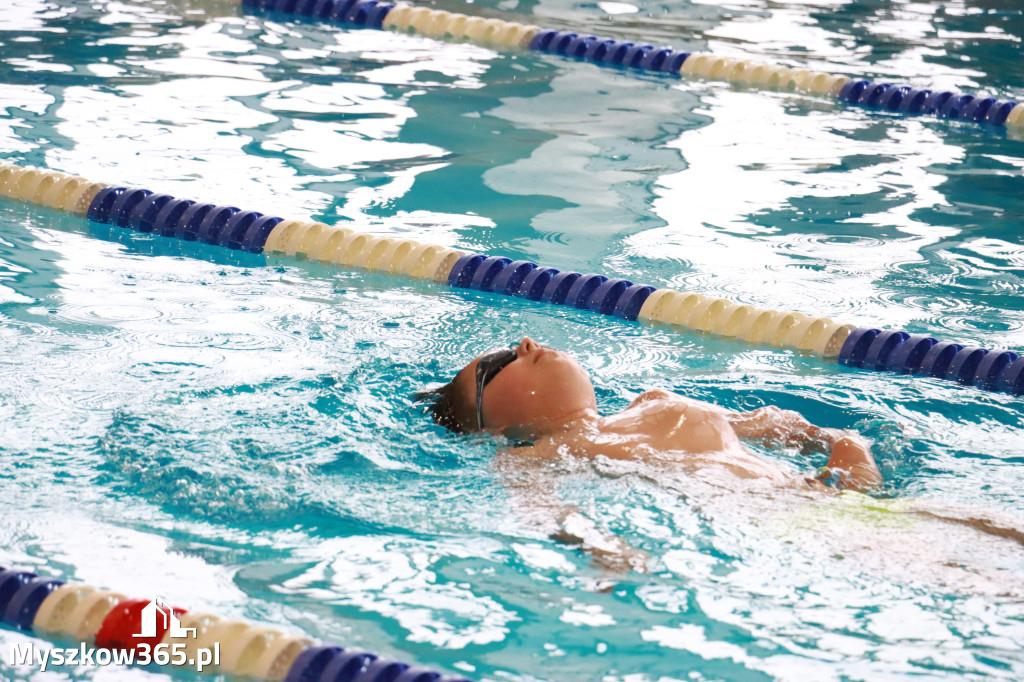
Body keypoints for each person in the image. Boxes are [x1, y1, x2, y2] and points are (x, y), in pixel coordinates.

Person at [426, 336, 886, 572]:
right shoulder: (532, 456)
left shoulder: (655, 399)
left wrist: (846, 445)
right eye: (497, 363)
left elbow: (775, 424)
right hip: (784, 529)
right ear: (489, 428)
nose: (525, 345)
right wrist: (602, 545)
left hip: (831, 502)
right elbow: (542, 510)